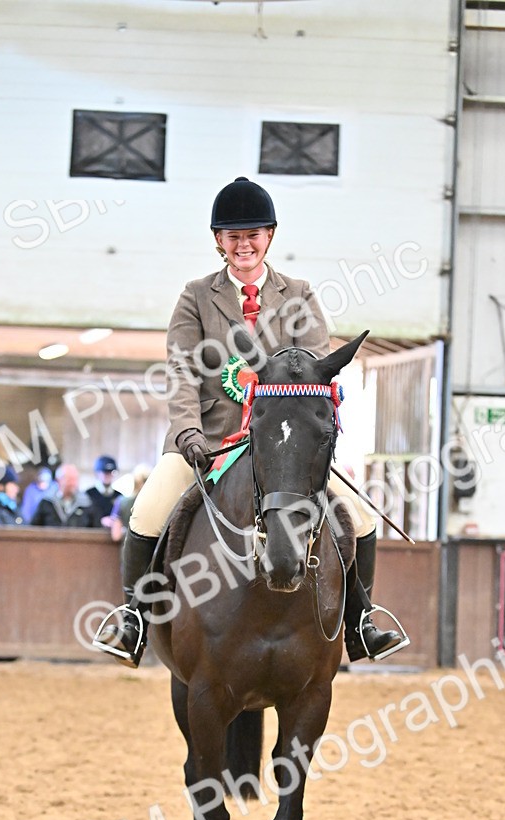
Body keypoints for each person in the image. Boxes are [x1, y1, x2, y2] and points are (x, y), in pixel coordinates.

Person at [97, 176, 404, 667]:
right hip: (208, 443)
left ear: (270, 236)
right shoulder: (196, 296)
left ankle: (360, 623)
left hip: (281, 447)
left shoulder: (299, 294)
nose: (244, 245)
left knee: (361, 520)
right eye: (233, 236)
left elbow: (313, 368)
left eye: (253, 235)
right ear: (218, 241)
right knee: (147, 512)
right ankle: (132, 617)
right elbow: (181, 369)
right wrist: (187, 430)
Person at [31, 464, 98, 528]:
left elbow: (96, 528)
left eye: (75, 479)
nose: (73, 483)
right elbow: (34, 528)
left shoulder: (87, 503)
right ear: (59, 480)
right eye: (70, 479)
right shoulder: (47, 502)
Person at [109, 464, 152, 543]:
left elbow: (116, 535)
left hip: (129, 549)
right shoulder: (155, 505)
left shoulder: (121, 502)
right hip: (151, 551)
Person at [87, 455, 121, 526]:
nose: (108, 476)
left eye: (111, 473)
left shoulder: (119, 496)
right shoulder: (88, 495)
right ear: (97, 473)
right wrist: (100, 520)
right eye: (105, 473)